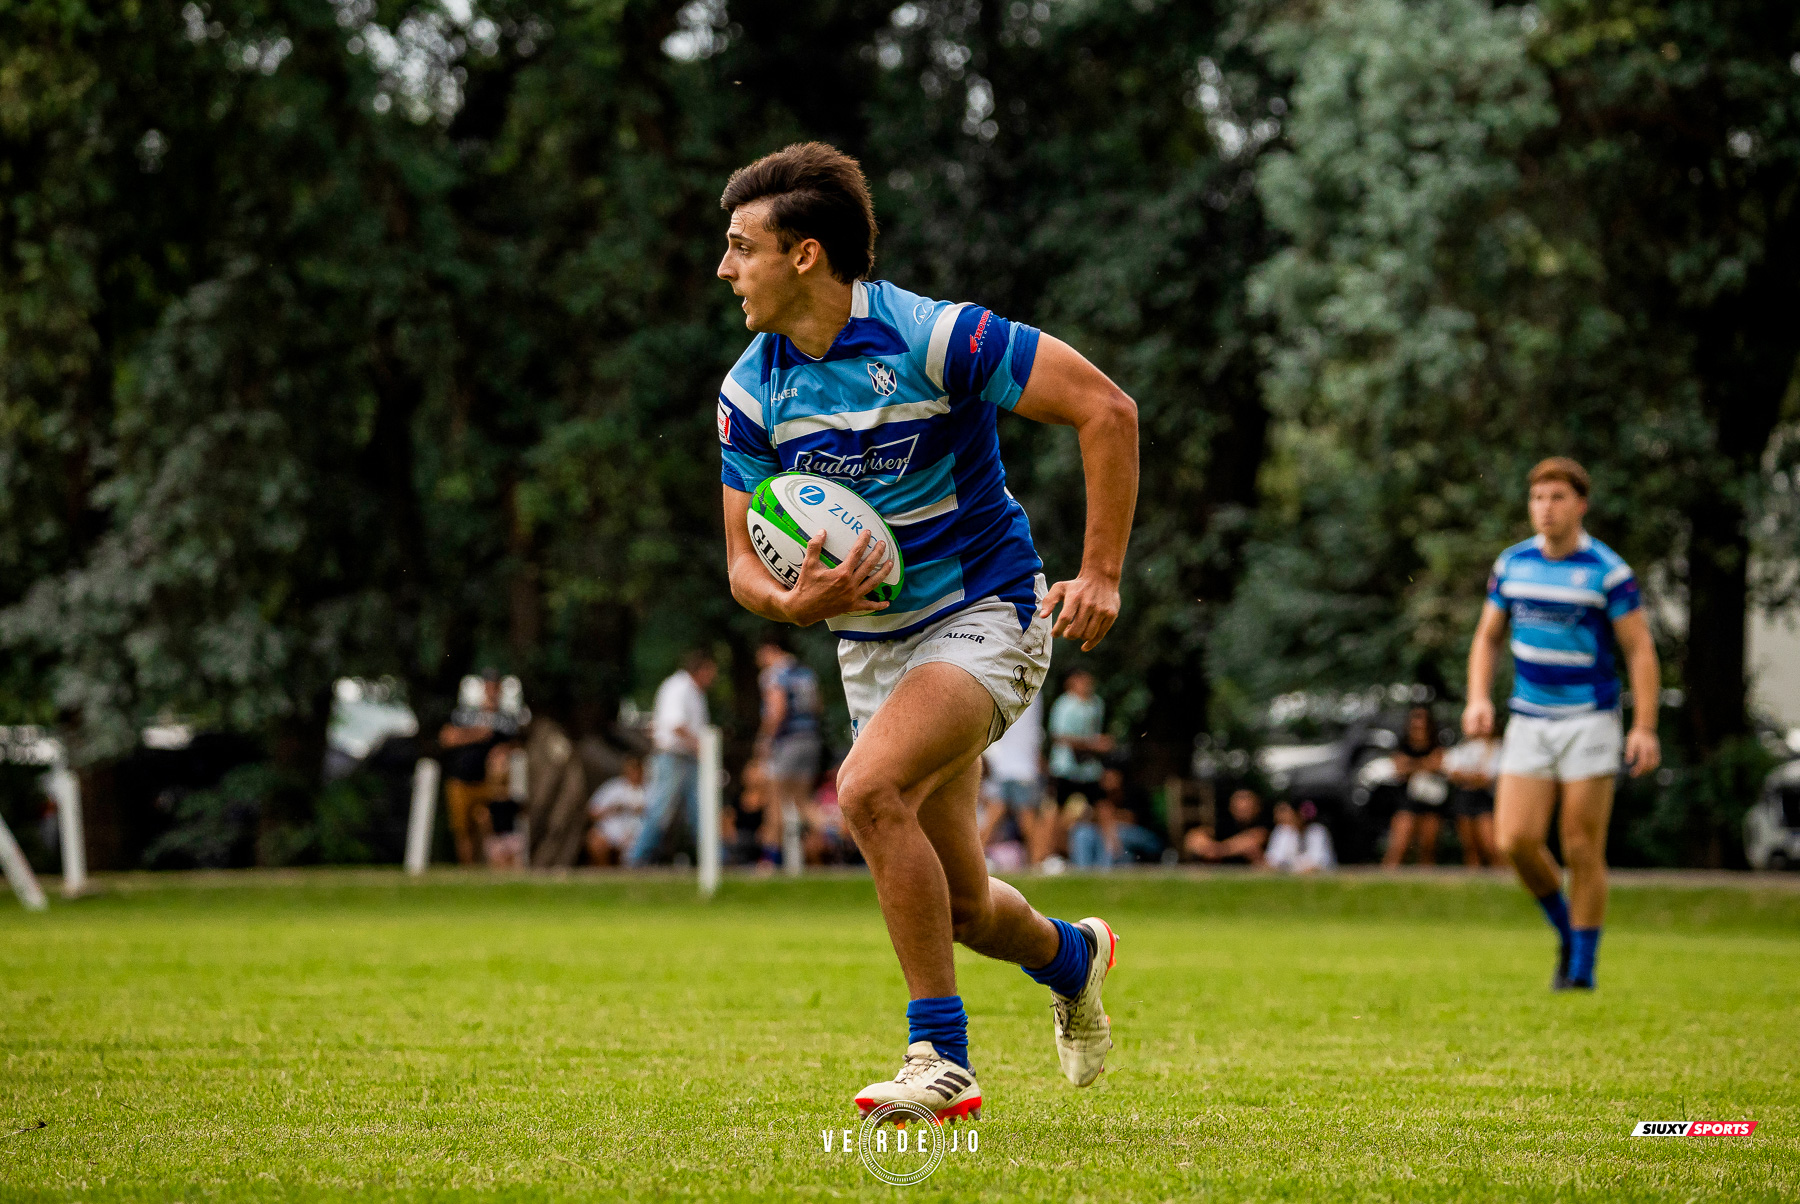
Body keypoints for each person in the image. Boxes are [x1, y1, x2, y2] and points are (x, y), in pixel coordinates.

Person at [714, 143, 1138, 1122]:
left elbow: (1106, 410)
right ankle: (1072, 957)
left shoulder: (935, 338)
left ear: (805, 255)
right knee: (964, 908)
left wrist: (1102, 574)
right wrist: (792, 604)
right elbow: (741, 566)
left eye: (742, 247)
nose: (726, 268)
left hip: (986, 615)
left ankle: (939, 1057)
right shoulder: (751, 391)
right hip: (875, 653)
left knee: (865, 789)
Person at [1464, 457, 1661, 991]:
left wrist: (1644, 726)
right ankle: (1568, 930)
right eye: (1537, 498)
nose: (1545, 508)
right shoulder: (1513, 564)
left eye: (1557, 498)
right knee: (1515, 840)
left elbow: (1639, 649)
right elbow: (1488, 637)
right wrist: (1478, 697)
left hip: (1589, 720)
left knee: (1580, 846)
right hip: (1529, 718)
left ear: (1581, 505)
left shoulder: (1608, 571)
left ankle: (1581, 972)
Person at [625, 651, 718, 867]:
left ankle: (712, 859)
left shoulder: (695, 692)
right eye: (711, 671)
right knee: (660, 809)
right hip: (672, 758)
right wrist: (701, 745)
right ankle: (636, 859)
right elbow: (675, 724)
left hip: (688, 759)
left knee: (700, 810)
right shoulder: (678, 687)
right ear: (702, 669)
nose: (713, 677)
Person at [754, 632, 824, 868]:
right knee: (803, 802)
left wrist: (764, 741)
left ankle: (768, 862)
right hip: (810, 739)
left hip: (787, 742)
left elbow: (777, 710)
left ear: (770, 648)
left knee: (775, 802)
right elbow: (817, 706)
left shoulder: (775, 675)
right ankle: (840, 834)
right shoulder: (806, 674)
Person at [438, 669, 522, 866]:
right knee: (463, 831)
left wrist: (503, 750)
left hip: (487, 783)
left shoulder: (506, 719)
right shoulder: (465, 714)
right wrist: (477, 734)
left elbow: (517, 744)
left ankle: (489, 866)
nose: (492, 692)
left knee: (487, 821)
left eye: (495, 688)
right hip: (460, 780)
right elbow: (446, 737)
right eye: (488, 687)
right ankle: (468, 870)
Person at [982, 691, 1051, 866]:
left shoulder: (1003, 689)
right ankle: (1037, 862)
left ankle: (972, 860)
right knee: (1028, 819)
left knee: (992, 819)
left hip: (1002, 767)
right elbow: (1034, 734)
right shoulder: (1033, 691)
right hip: (1023, 769)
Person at [1381, 704, 1448, 867]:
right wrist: (1425, 765)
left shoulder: (1436, 745)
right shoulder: (1402, 745)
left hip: (1432, 803)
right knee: (1399, 846)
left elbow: (1437, 763)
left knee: (1428, 849)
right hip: (1407, 802)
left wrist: (1412, 766)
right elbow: (1399, 768)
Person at [1067, 766, 1162, 870]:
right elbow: (1091, 817)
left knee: (1113, 833)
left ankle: (1105, 872)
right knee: (1082, 832)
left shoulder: (1134, 792)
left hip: (1144, 837)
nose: (1106, 780)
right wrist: (1104, 820)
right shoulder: (1098, 793)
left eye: (1110, 776)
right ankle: (1083, 872)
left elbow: (1131, 820)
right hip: (1106, 832)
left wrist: (1107, 819)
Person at [1048, 670, 1111, 804]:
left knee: (1099, 805)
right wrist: (1092, 744)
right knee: (1061, 807)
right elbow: (1058, 736)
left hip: (1089, 770)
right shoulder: (1064, 704)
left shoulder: (1097, 704)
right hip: (1065, 768)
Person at [1443, 732, 1503, 867]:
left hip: (1485, 799)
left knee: (1492, 848)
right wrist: (1474, 777)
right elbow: (1451, 773)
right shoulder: (1461, 746)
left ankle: (1501, 875)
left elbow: (1486, 779)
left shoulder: (1496, 747)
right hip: (1464, 799)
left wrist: (1464, 777)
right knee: (1470, 848)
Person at [585, 754, 648, 866]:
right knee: (595, 840)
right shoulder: (614, 787)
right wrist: (612, 809)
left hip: (636, 834)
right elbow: (592, 812)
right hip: (612, 832)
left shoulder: (648, 789)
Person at [1183, 788, 1270, 864]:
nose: (1241, 810)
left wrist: (1216, 851)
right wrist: (1207, 848)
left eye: (1246, 809)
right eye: (1238, 807)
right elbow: (1193, 838)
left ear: (1257, 807)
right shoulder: (1225, 824)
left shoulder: (1264, 824)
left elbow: (1251, 841)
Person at [1265, 800, 1336, 873]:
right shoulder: (1282, 831)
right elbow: (1273, 859)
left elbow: (1319, 862)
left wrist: (1290, 866)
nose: (1280, 817)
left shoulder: (1317, 831)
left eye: (1285, 812)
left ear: (1298, 814)